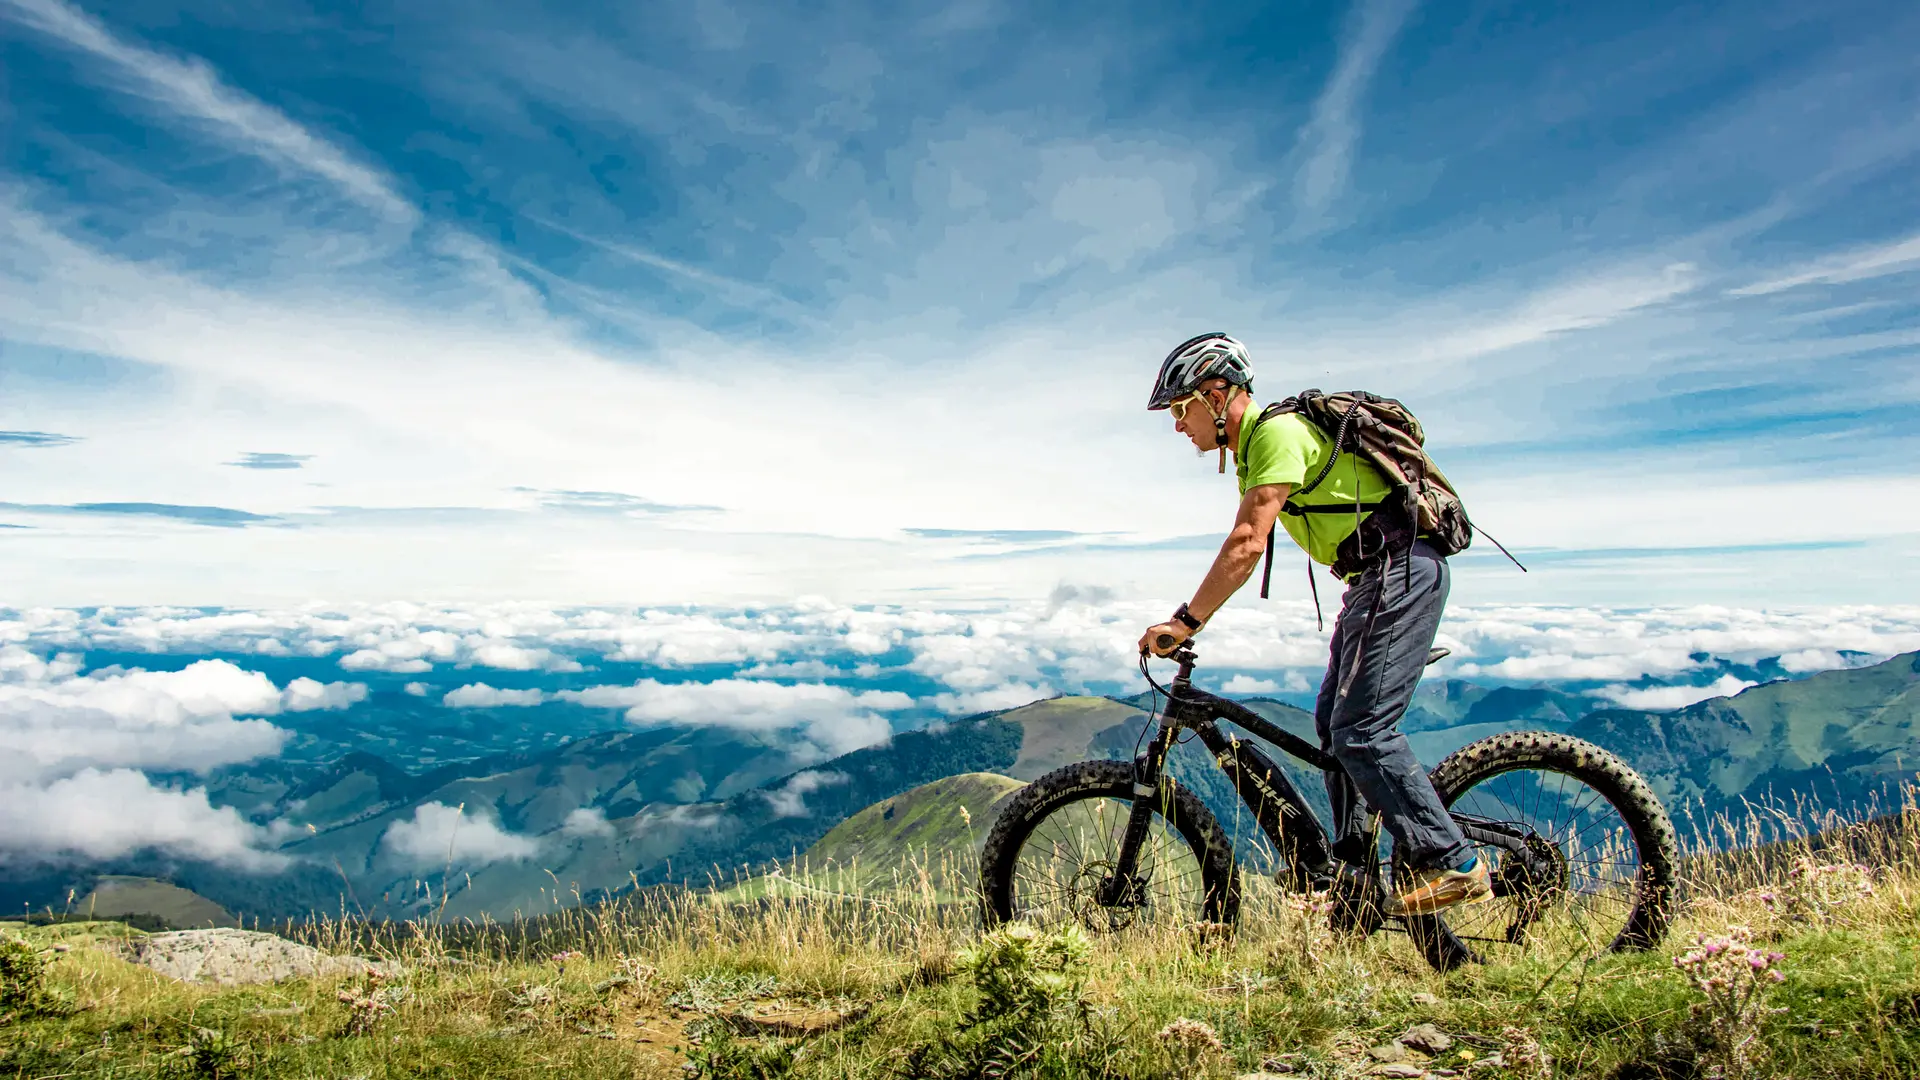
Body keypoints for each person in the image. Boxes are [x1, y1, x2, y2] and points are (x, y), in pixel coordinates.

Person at [1134, 332, 1490, 917]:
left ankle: (1453, 861)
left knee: (1362, 731)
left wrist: (1186, 620)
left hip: (1399, 571)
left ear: (1218, 394)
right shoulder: (1259, 448)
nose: (1178, 426)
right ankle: (1355, 877)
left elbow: (1248, 542)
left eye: (1181, 408)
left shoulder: (1274, 434)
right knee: (1333, 728)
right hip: (1376, 580)